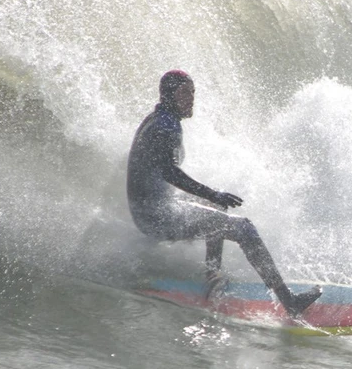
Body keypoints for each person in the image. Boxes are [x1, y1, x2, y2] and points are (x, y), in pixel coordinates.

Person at [127, 70, 321, 316]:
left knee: (216, 209)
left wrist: (212, 198)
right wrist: (212, 193)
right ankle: (289, 302)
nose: (191, 98)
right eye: (185, 93)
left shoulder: (158, 118)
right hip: (156, 215)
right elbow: (170, 173)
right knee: (245, 229)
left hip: (151, 209)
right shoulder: (165, 127)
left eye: (193, 92)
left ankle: (212, 275)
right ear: (169, 95)